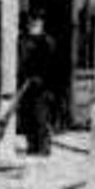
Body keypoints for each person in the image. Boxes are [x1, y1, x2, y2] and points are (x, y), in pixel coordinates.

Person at [18, 10, 60, 156]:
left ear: (42, 23)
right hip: (26, 84)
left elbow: (52, 65)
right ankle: (32, 146)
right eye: (32, 21)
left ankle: (43, 147)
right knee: (27, 116)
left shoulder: (47, 42)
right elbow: (21, 62)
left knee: (41, 116)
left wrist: (41, 78)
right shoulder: (23, 41)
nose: (34, 24)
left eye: (38, 21)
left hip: (43, 87)